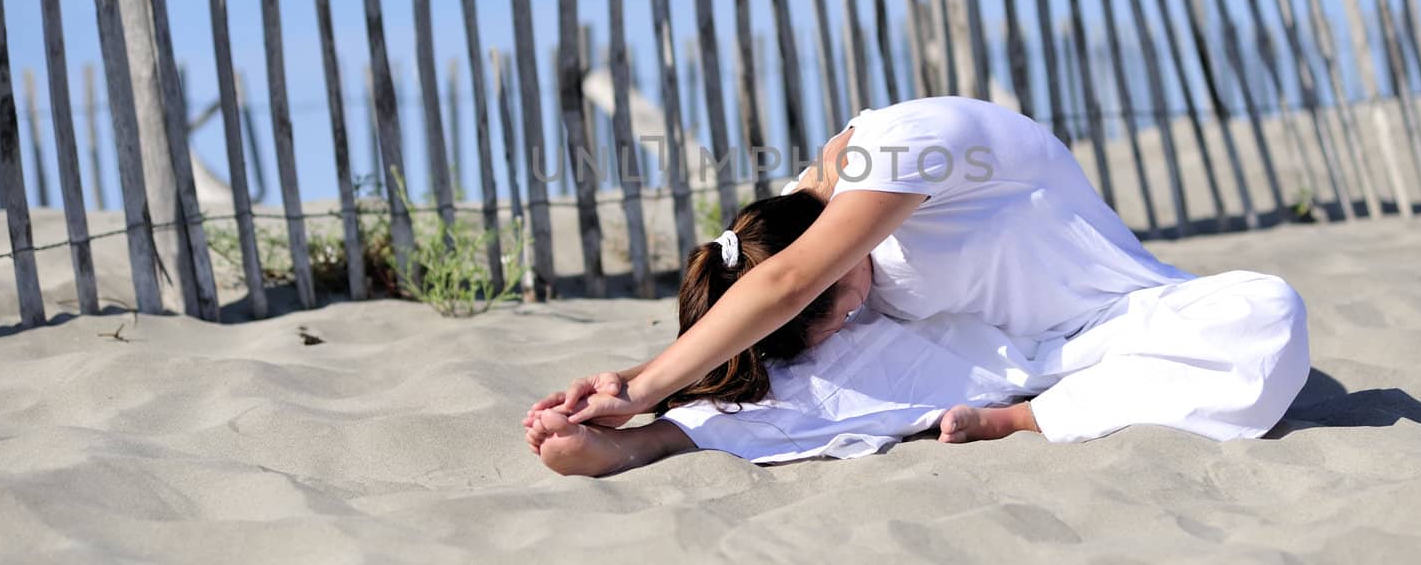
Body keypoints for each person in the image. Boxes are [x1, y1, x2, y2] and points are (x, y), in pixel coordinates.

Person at [524, 97, 1310, 476]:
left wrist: (638, 380)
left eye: (837, 304)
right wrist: (642, 393)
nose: (851, 310)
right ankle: (649, 444)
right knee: (807, 371)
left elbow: (791, 282)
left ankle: (1021, 422)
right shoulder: (795, 222)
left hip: (1121, 324)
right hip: (989, 353)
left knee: (1268, 317)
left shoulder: (903, 149)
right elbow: (767, 300)